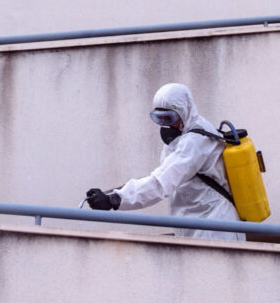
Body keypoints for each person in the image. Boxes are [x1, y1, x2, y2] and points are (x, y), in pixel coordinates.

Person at [86, 82, 245, 241]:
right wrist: (115, 193)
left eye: (169, 118)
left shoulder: (195, 141)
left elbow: (161, 182)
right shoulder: (184, 135)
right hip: (196, 222)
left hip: (215, 225)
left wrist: (115, 200)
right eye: (159, 119)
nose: (165, 125)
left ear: (184, 111)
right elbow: (164, 173)